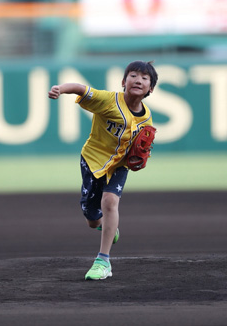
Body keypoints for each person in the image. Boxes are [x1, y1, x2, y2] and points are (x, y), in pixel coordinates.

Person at [47, 60, 158, 280]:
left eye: (145, 78)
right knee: (91, 218)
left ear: (151, 89)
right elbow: (81, 88)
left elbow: (143, 147)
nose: (138, 80)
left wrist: (143, 156)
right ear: (123, 81)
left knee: (110, 202)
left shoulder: (146, 118)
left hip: (119, 165)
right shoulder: (109, 101)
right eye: (134, 75)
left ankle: (103, 261)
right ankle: (106, 226)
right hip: (92, 161)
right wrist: (61, 89)